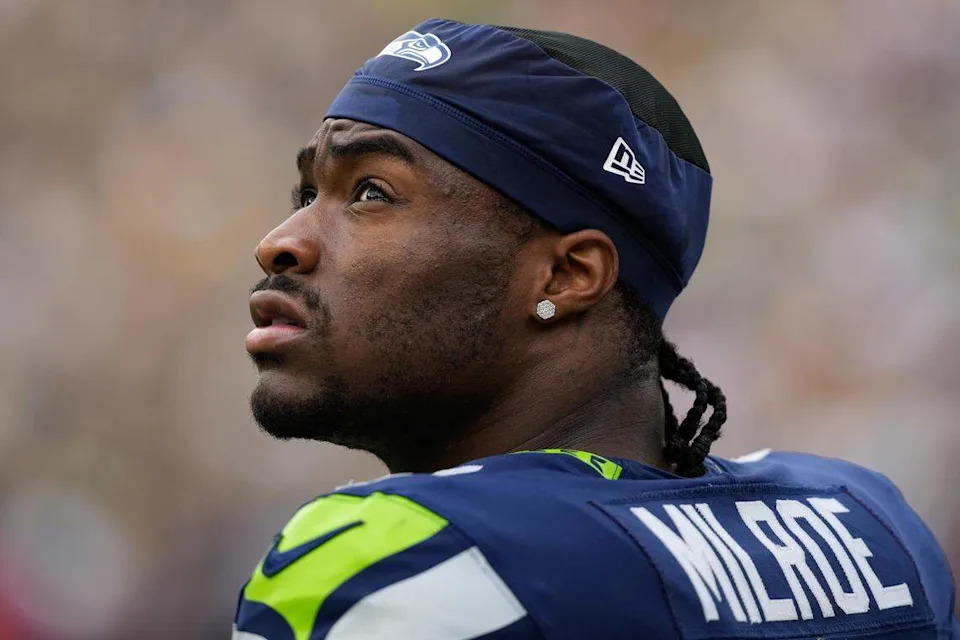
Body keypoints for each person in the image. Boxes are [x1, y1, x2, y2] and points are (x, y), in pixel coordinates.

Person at [234, 18, 958, 640]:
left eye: (371, 192)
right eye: (307, 193)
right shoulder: (873, 528)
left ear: (565, 276)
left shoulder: (394, 559)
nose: (279, 243)